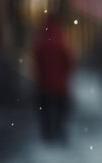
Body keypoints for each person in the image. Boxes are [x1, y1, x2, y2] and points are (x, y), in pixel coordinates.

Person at [33, 14, 74, 142]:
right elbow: (69, 62)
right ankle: (59, 130)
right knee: (61, 110)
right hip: (60, 84)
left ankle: (47, 132)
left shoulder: (41, 40)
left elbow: (37, 60)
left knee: (45, 109)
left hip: (44, 83)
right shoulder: (62, 40)